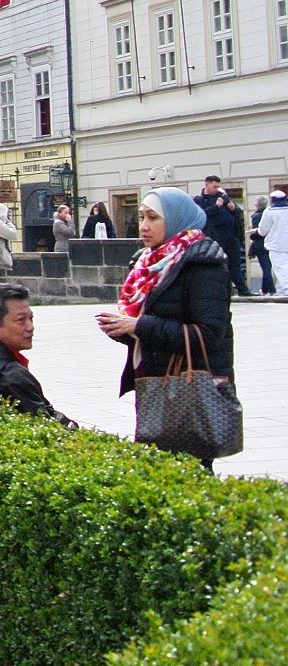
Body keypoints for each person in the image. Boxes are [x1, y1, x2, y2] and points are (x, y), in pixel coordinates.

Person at [95, 188, 236, 471]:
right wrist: (124, 331)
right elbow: (156, 327)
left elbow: (208, 335)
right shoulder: (147, 262)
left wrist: (139, 325)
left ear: (176, 219)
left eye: (153, 218)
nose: (144, 226)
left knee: (189, 472)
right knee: (159, 472)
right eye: (141, 217)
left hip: (189, 387)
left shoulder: (203, 264)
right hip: (154, 383)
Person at [0, 283, 77, 426]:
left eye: (31, 318)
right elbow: (46, 427)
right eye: (21, 320)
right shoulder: (12, 375)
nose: (30, 327)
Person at [194, 176, 251, 297]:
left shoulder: (223, 196)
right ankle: (221, 290)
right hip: (215, 235)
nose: (217, 189)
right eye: (214, 186)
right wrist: (216, 207)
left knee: (235, 263)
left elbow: (238, 212)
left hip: (231, 234)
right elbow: (201, 215)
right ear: (207, 185)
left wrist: (233, 208)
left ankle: (243, 289)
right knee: (218, 263)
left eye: (218, 186)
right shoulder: (199, 200)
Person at [255, 189, 288, 294]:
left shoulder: (270, 211)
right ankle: (281, 290)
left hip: (276, 244)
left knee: (280, 268)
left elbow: (262, 230)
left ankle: (286, 289)